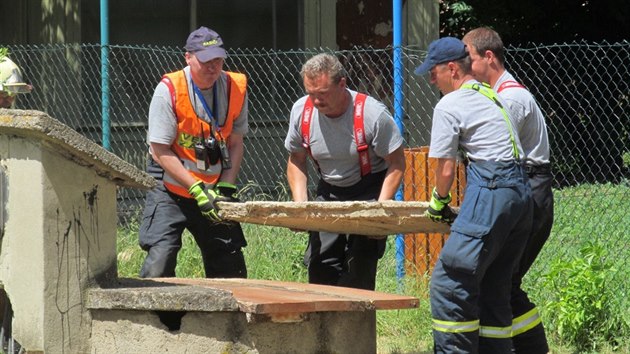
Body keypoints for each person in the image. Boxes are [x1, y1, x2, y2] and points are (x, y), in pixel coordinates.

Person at [414, 37, 533, 353]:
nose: (430, 79)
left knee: (450, 281)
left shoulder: (449, 104)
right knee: (494, 284)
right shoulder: (495, 97)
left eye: (433, 72)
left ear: (451, 68)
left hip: (491, 188)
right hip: (521, 195)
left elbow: (446, 170)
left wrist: (438, 204)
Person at [463, 27, 553, 354]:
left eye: (468, 58)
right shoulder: (499, 95)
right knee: (502, 281)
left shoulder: (509, 99)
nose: (463, 66)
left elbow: (498, 157)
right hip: (523, 189)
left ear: (489, 57)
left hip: (528, 191)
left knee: (500, 281)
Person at [284, 53, 405, 291]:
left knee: (359, 270)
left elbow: (397, 163)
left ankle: (356, 326)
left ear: (342, 84)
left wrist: (379, 211)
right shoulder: (301, 111)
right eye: (310, 94)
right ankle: (323, 324)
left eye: (323, 93)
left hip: (369, 190)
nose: (316, 101)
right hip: (329, 191)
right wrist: (300, 207)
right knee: (321, 267)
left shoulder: (372, 115)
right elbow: (296, 160)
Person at [138, 27, 248, 279]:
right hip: (171, 184)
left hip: (214, 185)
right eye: (206, 61)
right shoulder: (169, 89)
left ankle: (228, 318)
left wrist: (227, 187)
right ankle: (154, 317)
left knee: (230, 263)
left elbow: (235, 143)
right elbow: (159, 150)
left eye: (218, 60)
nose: (213, 67)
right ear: (188, 57)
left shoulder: (236, 87)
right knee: (160, 262)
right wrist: (195, 188)